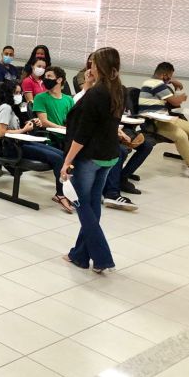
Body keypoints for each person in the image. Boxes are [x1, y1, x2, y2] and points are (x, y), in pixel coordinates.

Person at [61, 47, 125, 273]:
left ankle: (102, 258)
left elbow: (82, 134)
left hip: (90, 156)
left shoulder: (97, 94)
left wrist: (67, 161)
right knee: (92, 203)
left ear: (100, 66)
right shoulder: (118, 90)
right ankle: (79, 255)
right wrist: (88, 86)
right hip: (108, 155)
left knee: (81, 204)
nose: (90, 68)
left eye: (94, 64)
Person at [0, 82, 72, 212]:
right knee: (57, 159)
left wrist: (31, 123)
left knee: (61, 154)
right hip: (12, 147)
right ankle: (61, 194)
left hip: (22, 142)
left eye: (20, 93)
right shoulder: (5, 108)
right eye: (16, 93)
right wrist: (24, 130)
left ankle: (64, 191)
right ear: (8, 93)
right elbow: (1, 133)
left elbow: (17, 126)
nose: (19, 96)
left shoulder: (14, 107)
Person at [139, 61, 189, 177]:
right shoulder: (155, 84)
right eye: (170, 76)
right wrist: (182, 97)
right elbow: (175, 102)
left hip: (167, 118)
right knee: (181, 136)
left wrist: (173, 82)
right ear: (164, 75)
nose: (170, 78)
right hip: (156, 121)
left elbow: (173, 101)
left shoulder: (156, 82)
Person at [32, 66, 74, 143]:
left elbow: (73, 119)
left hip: (68, 138)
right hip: (51, 138)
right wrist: (62, 128)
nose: (45, 79)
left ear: (59, 80)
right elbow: (43, 121)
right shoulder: (40, 97)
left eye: (49, 76)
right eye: (45, 76)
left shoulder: (69, 99)